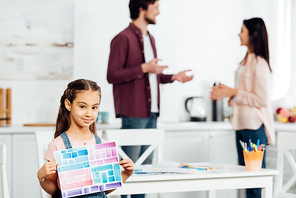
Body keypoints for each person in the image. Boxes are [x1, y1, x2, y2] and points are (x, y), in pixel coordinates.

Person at [107, 0, 193, 183]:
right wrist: (144, 67)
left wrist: (173, 77)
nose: (159, 12)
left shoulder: (150, 38)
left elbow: (148, 77)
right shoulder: (122, 38)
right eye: (156, 8)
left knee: (148, 171)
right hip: (133, 114)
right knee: (129, 171)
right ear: (142, 9)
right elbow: (112, 75)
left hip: (151, 113)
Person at [210, 18, 275, 198]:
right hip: (242, 126)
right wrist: (231, 95)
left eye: (242, 30)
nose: (239, 34)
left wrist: (234, 91)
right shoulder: (247, 60)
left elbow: (261, 99)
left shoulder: (259, 63)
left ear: (253, 34)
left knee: (253, 183)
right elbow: (247, 92)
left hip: (254, 128)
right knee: (247, 180)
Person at [37, 79, 134, 198]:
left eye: (94, 108)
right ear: (68, 105)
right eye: (82, 106)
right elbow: (53, 189)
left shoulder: (102, 144)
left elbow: (105, 189)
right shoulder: (58, 145)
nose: (89, 113)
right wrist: (41, 177)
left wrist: (126, 174)